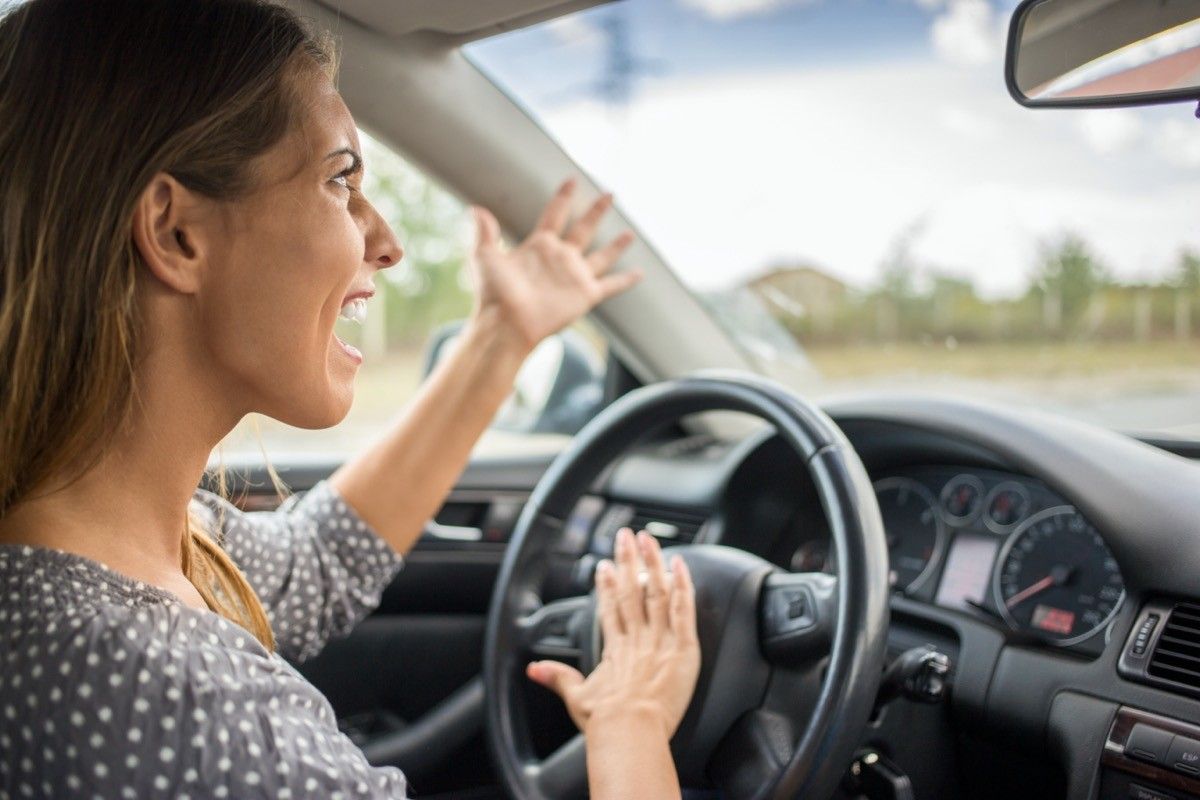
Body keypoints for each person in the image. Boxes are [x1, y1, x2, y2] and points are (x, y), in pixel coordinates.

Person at [0, 0, 702, 798]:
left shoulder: (103, 554)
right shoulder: (186, 707)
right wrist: (631, 720)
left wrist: (502, 338)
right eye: (340, 180)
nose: (388, 240)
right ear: (175, 234)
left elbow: (322, 562)